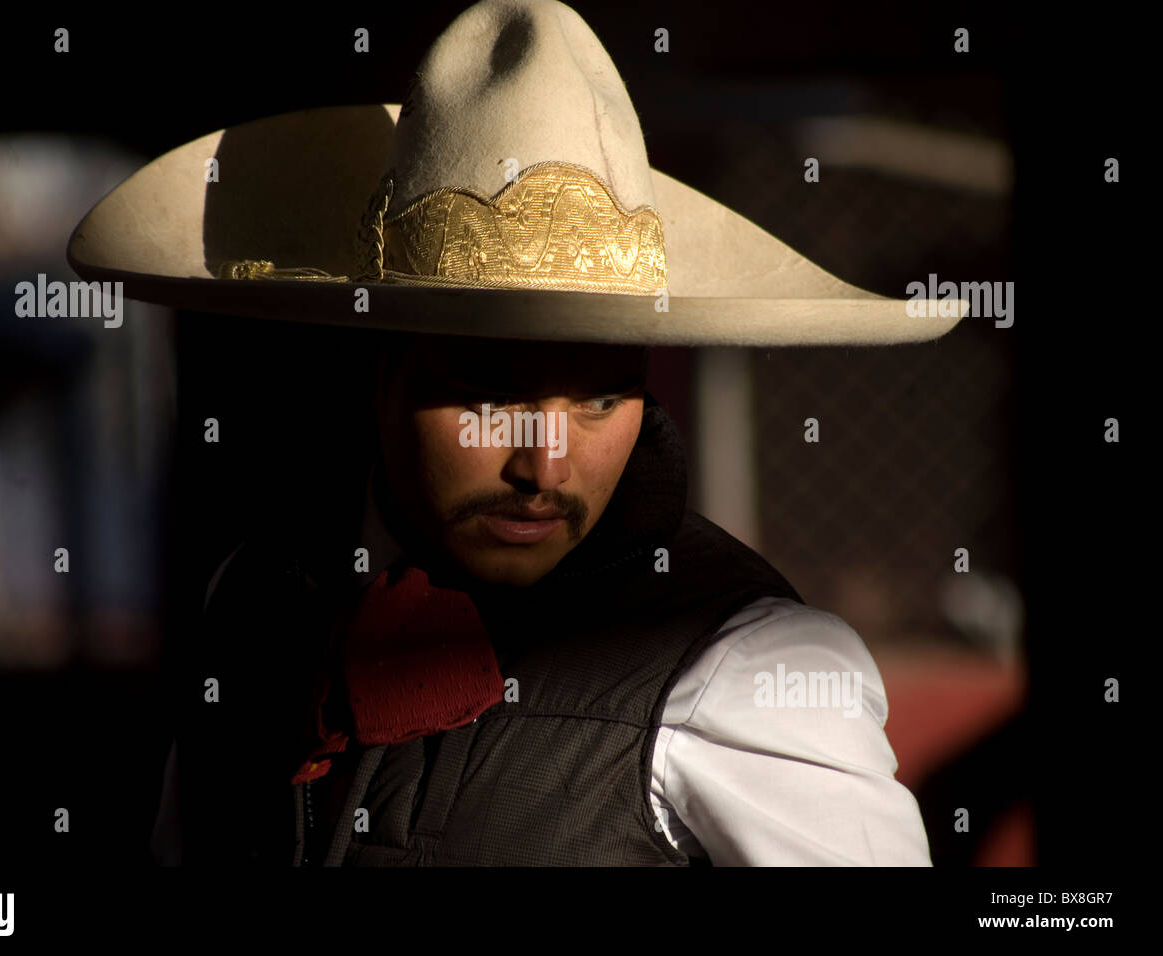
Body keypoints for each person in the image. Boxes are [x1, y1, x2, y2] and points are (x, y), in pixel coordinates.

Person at [69, 0, 964, 865]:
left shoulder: (746, 668)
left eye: (601, 400)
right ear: (383, 371)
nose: (545, 466)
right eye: (488, 398)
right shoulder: (255, 595)